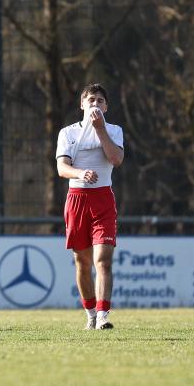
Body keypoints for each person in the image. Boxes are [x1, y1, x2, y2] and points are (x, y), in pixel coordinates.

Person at [56, 83, 124, 330]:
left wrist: (100, 129)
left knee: (103, 260)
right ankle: (91, 314)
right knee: (82, 263)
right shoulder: (68, 133)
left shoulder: (114, 131)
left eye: (99, 101)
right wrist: (80, 173)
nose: (95, 104)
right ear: (81, 105)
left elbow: (116, 159)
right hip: (77, 200)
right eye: (91, 100)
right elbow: (62, 168)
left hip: (103, 199)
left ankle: (104, 315)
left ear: (106, 106)